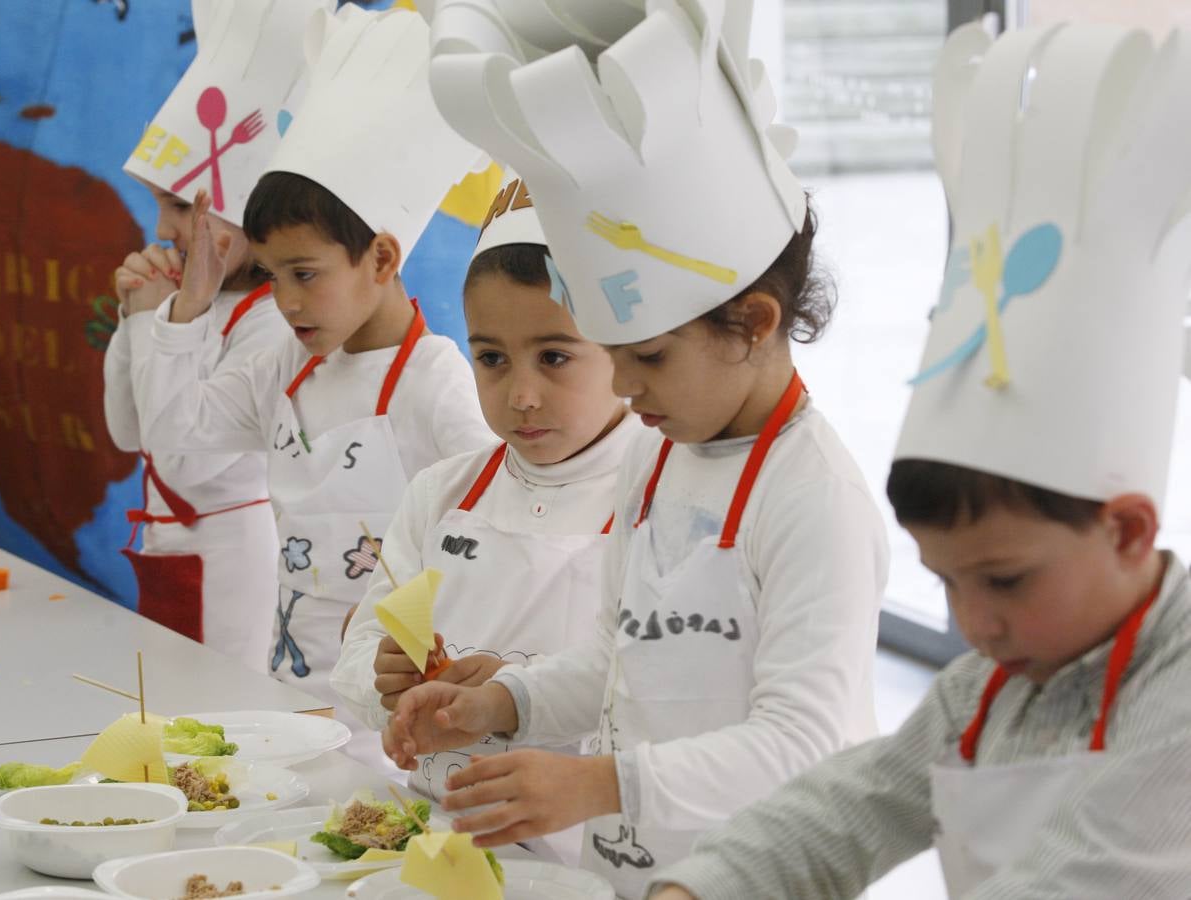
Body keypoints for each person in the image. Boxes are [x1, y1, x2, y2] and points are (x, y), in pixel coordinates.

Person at [647, 19, 1191, 900]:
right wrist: (700, 886)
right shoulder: (992, 685)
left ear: (1126, 528)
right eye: (945, 584)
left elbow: (1082, 878)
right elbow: (842, 809)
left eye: (1004, 580)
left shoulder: (1178, 687)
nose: (974, 624)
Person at [383, 3, 887, 894]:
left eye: (648, 355)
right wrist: (506, 703)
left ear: (754, 324)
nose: (622, 387)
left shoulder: (815, 496)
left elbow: (804, 743)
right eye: (613, 356)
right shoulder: (656, 456)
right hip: (635, 868)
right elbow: (624, 656)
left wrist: (598, 782)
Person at [136, 4, 493, 725]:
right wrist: (186, 311)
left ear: (382, 258)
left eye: (305, 274)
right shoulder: (282, 366)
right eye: (269, 276)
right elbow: (174, 430)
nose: (288, 302)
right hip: (289, 702)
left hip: (395, 715)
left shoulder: (435, 382)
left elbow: (491, 539)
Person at [330, 170, 644, 860]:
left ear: (622, 350)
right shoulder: (445, 492)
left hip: (577, 856)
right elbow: (356, 653)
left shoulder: (654, 496)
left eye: (555, 357)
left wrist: (513, 692)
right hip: (436, 833)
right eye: (492, 359)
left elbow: (657, 694)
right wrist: (381, 679)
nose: (522, 394)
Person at [103, 0, 325, 670]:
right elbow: (125, 431)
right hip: (164, 542)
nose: (164, 229)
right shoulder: (182, 304)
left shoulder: (269, 320)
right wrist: (139, 317)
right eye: (160, 207)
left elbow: (186, 459)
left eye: (178, 207)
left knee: (219, 710)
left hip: (231, 553)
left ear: (234, 215)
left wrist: (175, 318)